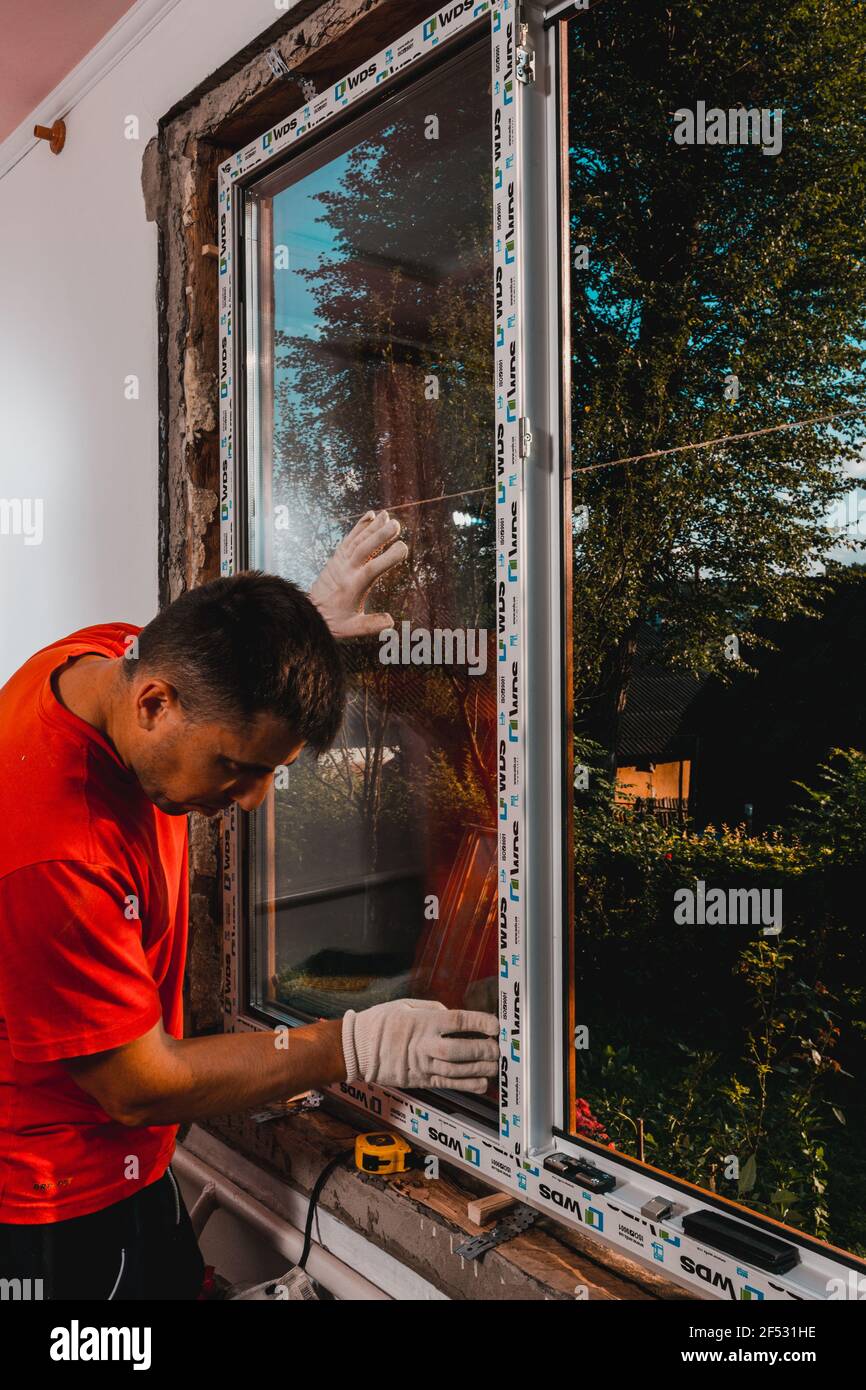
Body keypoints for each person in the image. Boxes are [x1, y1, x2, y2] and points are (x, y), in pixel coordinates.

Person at [0, 511, 499, 1299]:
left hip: (127, 1168)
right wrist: (354, 1047)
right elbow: (138, 1086)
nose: (255, 799)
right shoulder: (57, 852)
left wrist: (303, 629)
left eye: (271, 769)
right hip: (54, 1205)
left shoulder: (108, 658)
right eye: (236, 766)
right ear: (155, 706)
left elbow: (217, 649)